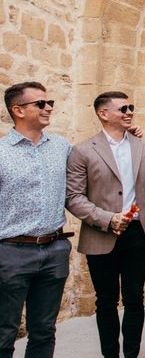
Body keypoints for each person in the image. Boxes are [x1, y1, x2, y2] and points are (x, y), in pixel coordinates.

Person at [66, 91, 145, 358]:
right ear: (103, 114)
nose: (129, 112)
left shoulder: (144, 147)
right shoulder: (82, 150)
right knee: (105, 302)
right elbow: (74, 197)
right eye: (123, 109)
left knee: (135, 299)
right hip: (99, 235)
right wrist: (107, 219)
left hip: (137, 234)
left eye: (131, 108)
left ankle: (132, 354)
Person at [0, 82, 74, 358]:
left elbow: (94, 164)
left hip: (54, 251)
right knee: (4, 331)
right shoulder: (2, 152)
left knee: (44, 331)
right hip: (10, 252)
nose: (49, 107)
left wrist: (130, 135)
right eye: (41, 103)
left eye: (50, 102)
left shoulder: (62, 147)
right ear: (18, 110)